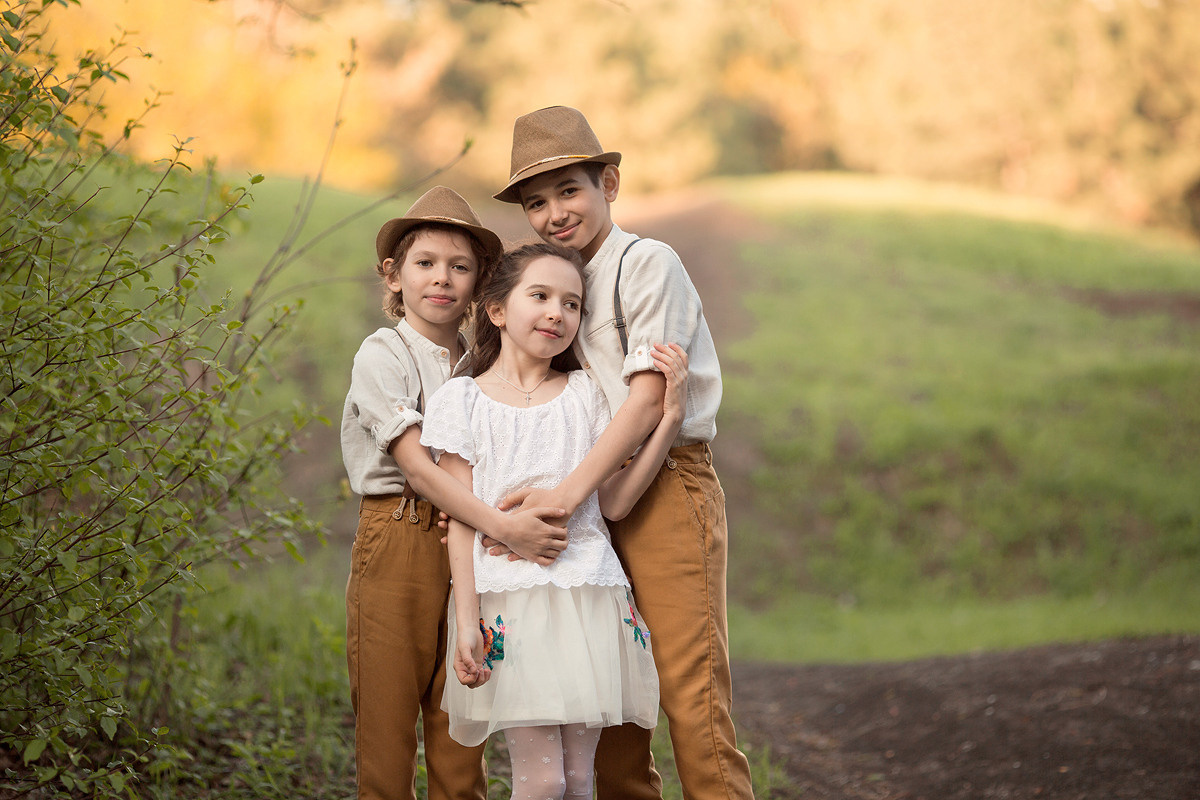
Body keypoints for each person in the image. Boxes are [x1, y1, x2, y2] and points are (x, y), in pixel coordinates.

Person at [491, 106, 755, 800]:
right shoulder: (560, 286)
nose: (555, 214)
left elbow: (644, 400)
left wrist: (563, 495)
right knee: (608, 703)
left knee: (691, 698)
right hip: (592, 507)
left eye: (569, 190)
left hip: (664, 488)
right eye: (536, 203)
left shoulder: (647, 263)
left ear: (608, 182)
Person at [418, 242, 690, 800]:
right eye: (539, 296)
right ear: (496, 309)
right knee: (540, 780)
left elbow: (613, 503)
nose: (556, 313)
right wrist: (466, 615)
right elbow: (461, 518)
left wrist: (670, 418)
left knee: (576, 781)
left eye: (572, 304)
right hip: (511, 604)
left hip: (588, 598)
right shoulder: (461, 401)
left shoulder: (587, 394)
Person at [341, 187, 569, 800]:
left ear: (481, 284)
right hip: (400, 535)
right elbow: (417, 468)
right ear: (394, 273)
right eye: (425, 263)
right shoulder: (383, 354)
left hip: (466, 544)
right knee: (387, 719)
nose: (442, 278)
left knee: (462, 715)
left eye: (460, 266)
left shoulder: (478, 365)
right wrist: (506, 526)